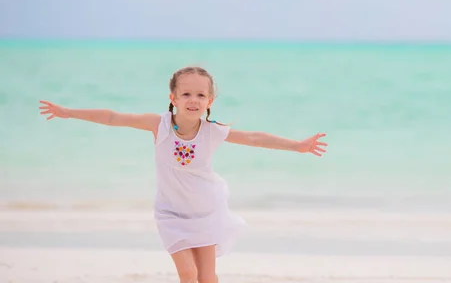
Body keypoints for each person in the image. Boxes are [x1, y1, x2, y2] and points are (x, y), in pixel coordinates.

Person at [39, 65, 328, 283]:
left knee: (207, 278)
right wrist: (68, 112)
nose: (193, 100)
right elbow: (114, 117)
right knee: (188, 275)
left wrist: (298, 146)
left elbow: (254, 138)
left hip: (206, 212)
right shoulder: (159, 125)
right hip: (171, 215)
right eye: (186, 93)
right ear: (173, 98)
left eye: (201, 94)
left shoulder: (212, 131)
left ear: (210, 100)